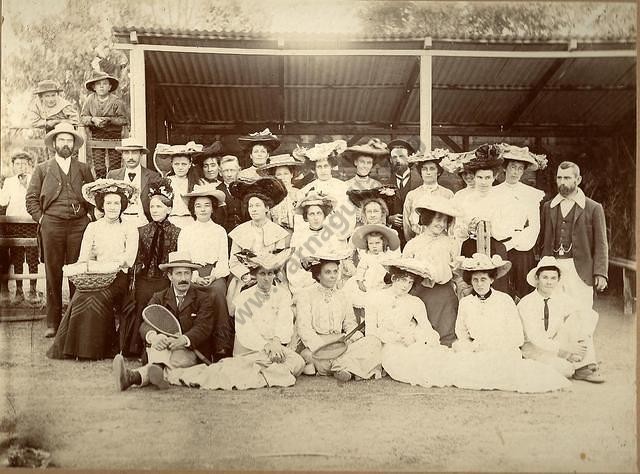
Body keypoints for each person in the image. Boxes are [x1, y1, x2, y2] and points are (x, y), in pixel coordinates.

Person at [167, 249, 305, 390]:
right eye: (262, 273)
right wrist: (267, 346)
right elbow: (246, 331)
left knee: (298, 362)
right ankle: (264, 373)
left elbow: (285, 321)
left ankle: (263, 373)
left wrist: (275, 342)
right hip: (250, 351)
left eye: (270, 274)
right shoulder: (244, 297)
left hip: (275, 348)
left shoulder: (282, 295)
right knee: (243, 367)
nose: (266, 278)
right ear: (255, 275)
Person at [47, 179, 138, 360]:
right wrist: (90, 268)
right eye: (108, 203)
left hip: (118, 278)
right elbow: (83, 258)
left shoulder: (129, 227)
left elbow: (128, 260)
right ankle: (72, 348)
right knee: (81, 295)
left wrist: (107, 266)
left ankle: (95, 349)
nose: (113, 207)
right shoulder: (93, 227)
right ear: (102, 205)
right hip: (95, 276)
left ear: (123, 205)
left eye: (116, 203)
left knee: (97, 296)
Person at [25, 122, 95, 337]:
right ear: (54, 143)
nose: (66, 144)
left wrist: (90, 216)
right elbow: (31, 200)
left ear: (74, 144)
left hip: (78, 226)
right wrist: (43, 219)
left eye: (69, 140)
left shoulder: (83, 168)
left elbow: (93, 196)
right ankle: (52, 324)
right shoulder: (42, 169)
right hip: (52, 226)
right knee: (53, 273)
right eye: (62, 140)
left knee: (77, 273)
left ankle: (75, 322)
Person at [112, 251, 217, 391]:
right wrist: (154, 337)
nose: (183, 278)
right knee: (158, 350)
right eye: (178, 274)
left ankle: (134, 377)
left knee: (172, 359)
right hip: (161, 348)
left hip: (189, 350)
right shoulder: (158, 297)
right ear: (169, 276)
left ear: (192, 275)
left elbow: (203, 328)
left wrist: (184, 339)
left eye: (187, 273)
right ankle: (157, 373)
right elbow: (146, 324)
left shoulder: (204, 299)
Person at [296, 250, 381, 381]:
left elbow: (350, 323)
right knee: (308, 355)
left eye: (335, 271)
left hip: (340, 342)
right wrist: (323, 348)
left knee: (373, 342)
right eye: (328, 272)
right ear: (318, 275)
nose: (333, 276)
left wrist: (354, 336)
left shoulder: (343, 295)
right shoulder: (305, 295)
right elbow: (304, 329)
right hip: (318, 345)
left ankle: (339, 366)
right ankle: (349, 367)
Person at [518, 256, 603, 383]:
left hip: (554, 344)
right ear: (537, 279)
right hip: (533, 349)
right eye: (545, 277)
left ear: (558, 280)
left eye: (553, 278)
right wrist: (566, 348)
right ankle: (573, 363)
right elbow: (536, 338)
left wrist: (581, 340)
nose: (549, 282)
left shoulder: (560, 299)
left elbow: (589, 315)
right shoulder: (527, 303)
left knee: (581, 315)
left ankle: (584, 364)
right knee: (566, 370)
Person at [539, 161, 608, 311]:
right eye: (559, 178)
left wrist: (600, 273)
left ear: (578, 180)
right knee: (554, 311)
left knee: (581, 313)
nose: (562, 182)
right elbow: (542, 240)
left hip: (581, 269)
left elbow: (601, 244)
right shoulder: (548, 207)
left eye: (567, 178)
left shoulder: (593, 208)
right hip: (553, 267)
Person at [363, 257, 443, 384]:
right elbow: (370, 330)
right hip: (386, 344)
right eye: (403, 280)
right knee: (406, 367)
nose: (406, 285)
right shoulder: (375, 298)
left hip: (410, 343)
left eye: (410, 282)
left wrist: (423, 339)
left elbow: (426, 327)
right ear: (394, 278)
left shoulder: (415, 302)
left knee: (429, 360)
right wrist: (392, 338)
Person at [126, 179, 181, 357]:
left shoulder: (177, 232)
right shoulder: (142, 230)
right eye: (152, 207)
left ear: (169, 209)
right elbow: (137, 258)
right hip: (145, 278)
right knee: (142, 299)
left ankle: (162, 344)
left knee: (163, 300)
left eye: (159, 206)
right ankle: (138, 346)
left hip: (165, 279)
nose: (155, 210)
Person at [179, 184, 232, 359]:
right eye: (198, 206)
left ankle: (221, 345)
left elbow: (224, 260)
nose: (202, 209)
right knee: (190, 294)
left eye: (207, 205)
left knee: (216, 292)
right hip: (190, 272)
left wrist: (214, 275)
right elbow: (183, 259)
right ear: (193, 209)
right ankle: (193, 343)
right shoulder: (186, 232)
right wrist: (193, 275)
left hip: (214, 272)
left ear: (213, 208)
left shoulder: (219, 231)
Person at [402, 195, 463, 347]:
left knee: (446, 333)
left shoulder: (451, 243)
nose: (441, 224)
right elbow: (404, 272)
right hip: (420, 294)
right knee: (421, 335)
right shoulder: (413, 244)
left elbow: (457, 271)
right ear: (427, 218)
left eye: (444, 221)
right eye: (437, 219)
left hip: (444, 295)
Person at [226, 177, 290, 314]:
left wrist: (268, 273)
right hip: (245, 278)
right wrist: (246, 277)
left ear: (267, 208)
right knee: (242, 306)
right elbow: (233, 263)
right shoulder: (240, 232)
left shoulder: (278, 232)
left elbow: (280, 262)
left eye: (257, 205)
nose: (253, 210)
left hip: (271, 277)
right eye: (250, 206)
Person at [453, 144, 511, 293]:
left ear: (494, 177)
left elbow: (506, 231)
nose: (484, 182)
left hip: (495, 248)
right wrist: (469, 229)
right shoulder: (466, 200)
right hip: (471, 248)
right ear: (474, 177)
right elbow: (458, 230)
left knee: (497, 290)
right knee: (473, 290)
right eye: (480, 177)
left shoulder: (502, 199)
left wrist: (489, 227)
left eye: (487, 177)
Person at [493, 146, 546, 300]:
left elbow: (534, 226)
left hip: (523, 249)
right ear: (505, 168)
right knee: (501, 290)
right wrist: (505, 243)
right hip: (500, 246)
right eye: (512, 167)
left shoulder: (531, 194)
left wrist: (517, 241)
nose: (515, 172)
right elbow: (494, 222)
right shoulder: (494, 192)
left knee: (523, 291)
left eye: (520, 168)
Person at [286, 191, 353, 295]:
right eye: (311, 214)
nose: (316, 218)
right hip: (306, 277)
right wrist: (304, 263)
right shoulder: (299, 235)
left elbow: (337, 257)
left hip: (327, 277)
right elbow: (293, 261)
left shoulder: (331, 234)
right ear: (306, 217)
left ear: (324, 215)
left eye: (319, 213)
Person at [0, 152, 40, 303]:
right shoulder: (9, 181)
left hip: (30, 223)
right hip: (14, 224)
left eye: (24, 164)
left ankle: (33, 290)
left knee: (32, 257)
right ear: (13, 166)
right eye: (18, 164)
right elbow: (3, 202)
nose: (21, 167)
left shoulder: (35, 180)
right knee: (17, 257)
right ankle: (18, 291)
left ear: (30, 165)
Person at [298, 140, 356, 238]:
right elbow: (301, 217)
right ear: (314, 169)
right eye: (319, 167)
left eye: (326, 166)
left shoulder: (343, 187)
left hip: (337, 232)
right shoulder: (307, 189)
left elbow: (349, 212)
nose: (323, 170)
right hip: (314, 235)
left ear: (331, 167)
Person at [80, 72, 128, 178]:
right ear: (94, 87)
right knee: (99, 165)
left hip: (114, 136)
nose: (101, 86)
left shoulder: (116, 101)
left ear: (110, 87)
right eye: (98, 84)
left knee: (115, 165)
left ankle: (114, 187)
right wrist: (93, 120)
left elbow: (123, 119)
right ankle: (100, 186)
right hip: (97, 136)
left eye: (105, 83)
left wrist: (109, 120)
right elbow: (83, 117)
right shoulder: (89, 100)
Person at [106, 138, 161, 227]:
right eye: (127, 153)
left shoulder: (153, 176)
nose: (130, 157)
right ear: (122, 155)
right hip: (118, 222)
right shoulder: (113, 175)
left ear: (141, 154)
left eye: (134, 152)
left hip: (144, 223)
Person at [402, 150, 454, 242]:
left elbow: (452, 223)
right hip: (418, 241)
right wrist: (411, 242)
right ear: (420, 172)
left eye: (432, 168)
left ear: (438, 172)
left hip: (441, 241)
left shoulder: (447, 194)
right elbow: (407, 225)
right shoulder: (412, 195)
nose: (428, 172)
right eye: (424, 169)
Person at [345, 224, 401, 308]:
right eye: (371, 243)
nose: (374, 246)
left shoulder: (387, 256)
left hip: (382, 284)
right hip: (368, 283)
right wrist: (360, 282)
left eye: (377, 243)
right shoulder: (367, 257)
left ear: (383, 243)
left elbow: (391, 270)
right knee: (366, 301)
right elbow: (361, 269)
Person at [153, 142, 202, 229]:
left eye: (184, 164)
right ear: (171, 164)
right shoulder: (165, 181)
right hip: (171, 221)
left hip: (190, 222)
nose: (180, 167)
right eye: (177, 164)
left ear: (190, 164)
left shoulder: (197, 182)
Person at [386, 139, 423, 247]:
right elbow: (381, 210)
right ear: (390, 160)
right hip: (394, 239)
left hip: (417, 236)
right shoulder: (385, 185)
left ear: (409, 159)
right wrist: (389, 219)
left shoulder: (421, 182)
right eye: (394, 157)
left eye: (401, 156)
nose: (398, 160)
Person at [256, 153, 305, 232]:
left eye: (286, 173)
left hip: (296, 233)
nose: (283, 177)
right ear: (274, 177)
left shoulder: (299, 193)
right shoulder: (270, 196)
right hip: (276, 233)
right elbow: (267, 219)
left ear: (291, 174)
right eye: (279, 174)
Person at [217, 155, 245, 234]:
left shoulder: (246, 189)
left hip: (246, 232)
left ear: (239, 171)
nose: (229, 174)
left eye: (232, 170)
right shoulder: (217, 191)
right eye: (226, 171)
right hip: (225, 233)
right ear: (220, 172)